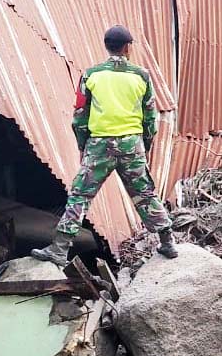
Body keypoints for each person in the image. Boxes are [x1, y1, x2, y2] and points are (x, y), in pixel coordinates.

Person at [32, 25, 179, 265]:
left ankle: (59, 250)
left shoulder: (91, 75)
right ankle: (168, 242)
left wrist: (82, 146)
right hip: (131, 144)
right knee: (144, 193)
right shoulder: (141, 76)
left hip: (99, 145)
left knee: (80, 196)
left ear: (106, 46)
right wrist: (145, 145)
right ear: (128, 48)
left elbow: (80, 116)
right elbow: (150, 118)